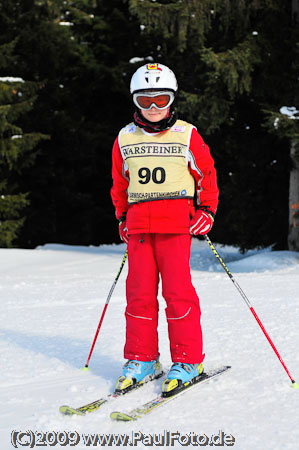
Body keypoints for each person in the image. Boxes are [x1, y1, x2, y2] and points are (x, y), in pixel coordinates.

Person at [110, 63, 219, 397]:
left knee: (177, 293)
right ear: (135, 101)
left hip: (175, 227)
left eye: (161, 100)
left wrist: (207, 210)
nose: (154, 108)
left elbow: (207, 174)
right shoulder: (125, 137)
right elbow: (119, 183)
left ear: (172, 100)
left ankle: (188, 360)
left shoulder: (187, 134)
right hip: (140, 227)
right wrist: (122, 217)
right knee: (139, 295)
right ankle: (142, 359)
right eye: (146, 101)